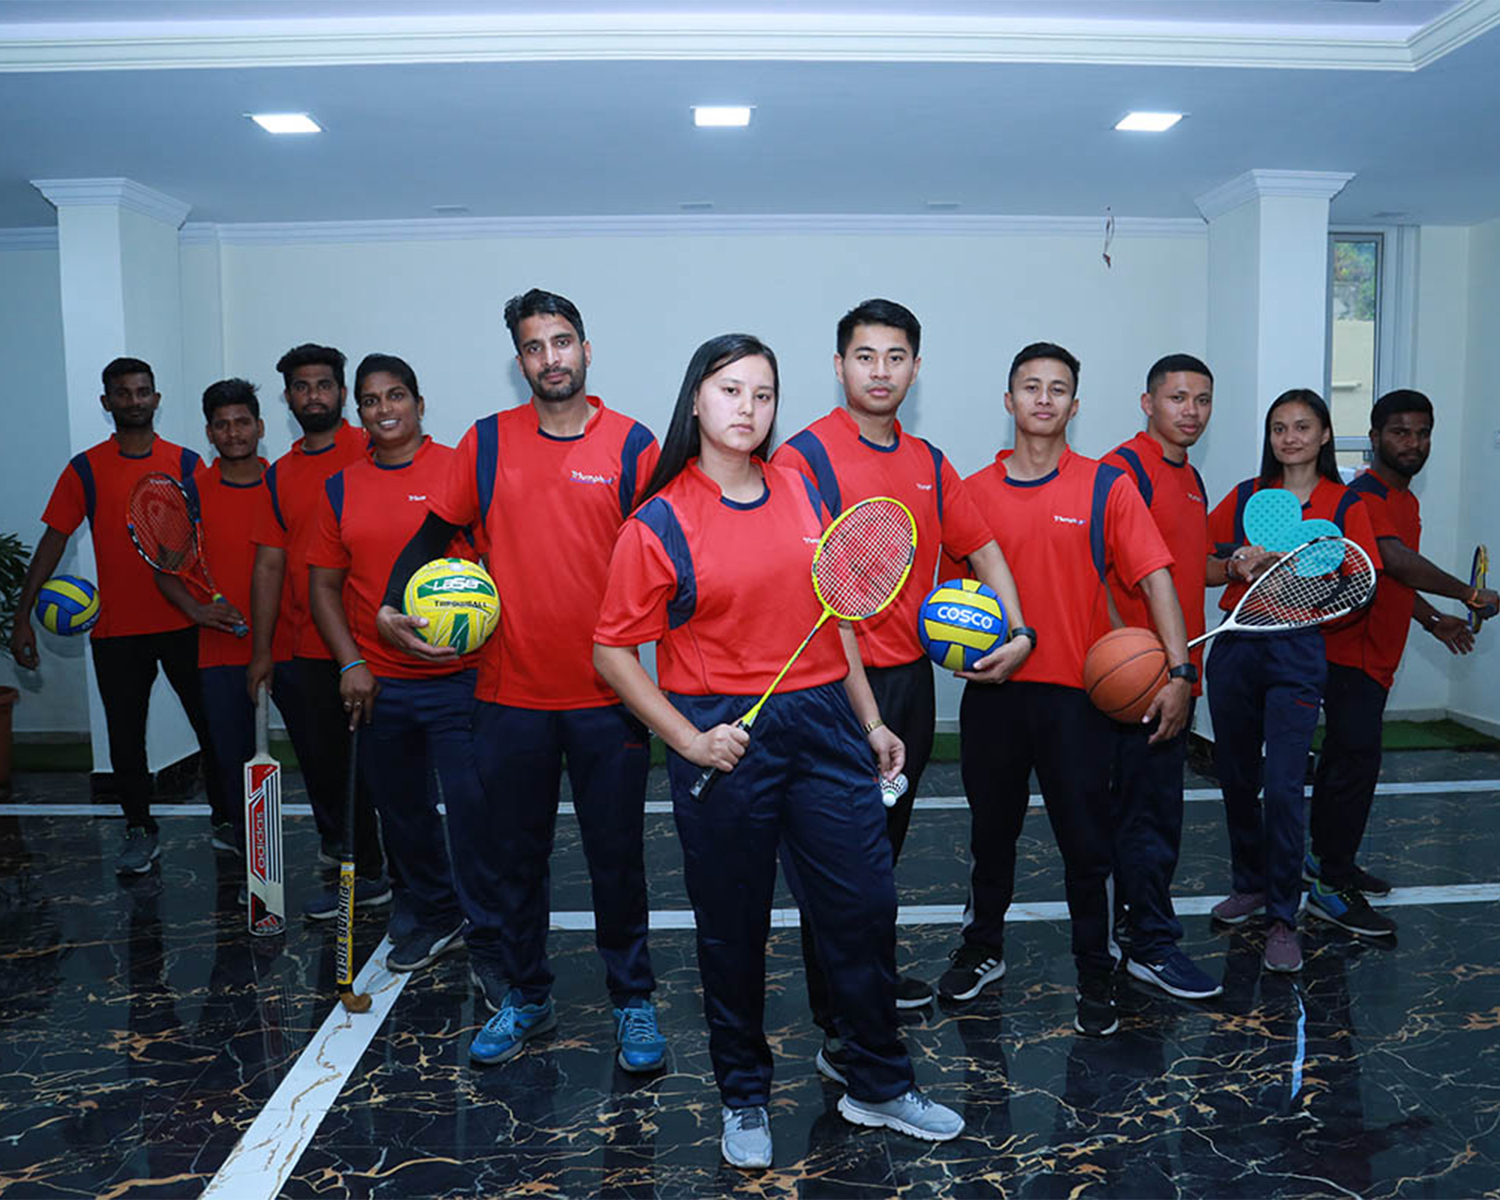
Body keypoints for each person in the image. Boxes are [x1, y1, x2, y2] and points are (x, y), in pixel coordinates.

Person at [593, 333, 964, 1170]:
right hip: (724, 735)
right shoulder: (658, 522)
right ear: (696, 400)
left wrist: (870, 722)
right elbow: (611, 651)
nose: (748, 408)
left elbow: (838, 615)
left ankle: (877, 1080)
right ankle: (744, 1094)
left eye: (762, 394)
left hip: (826, 724)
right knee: (734, 928)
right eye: (730, 390)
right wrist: (689, 740)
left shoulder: (800, 489)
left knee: (864, 907)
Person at [375, 290, 664, 1071]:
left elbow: (669, 552)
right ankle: (527, 995)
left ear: (585, 350)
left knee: (617, 859)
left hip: (609, 697)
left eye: (561, 342)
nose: (550, 358)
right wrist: (391, 603)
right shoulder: (487, 442)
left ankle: (633, 999)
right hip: (508, 697)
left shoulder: (634, 445)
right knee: (514, 860)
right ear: (519, 361)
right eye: (534, 347)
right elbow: (431, 534)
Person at [771, 298, 1030, 1047]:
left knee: (883, 846)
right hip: (834, 688)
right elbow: (802, 587)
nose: (880, 371)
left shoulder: (930, 463)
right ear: (839, 366)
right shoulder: (803, 460)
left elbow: (983, 548)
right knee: (837, 854)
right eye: (865, 356)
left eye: (895, 357)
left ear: (916, 369)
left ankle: (868, 981)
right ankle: (838, 1017)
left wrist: (1019, 631)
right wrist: (863, 707)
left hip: (911, 685)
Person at [942, 342, 1193, 1037]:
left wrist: (1179, 673)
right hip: (995, 696)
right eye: (1031, 386)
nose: (1044, 399)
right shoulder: (971, 491)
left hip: (1078, 700)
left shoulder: (1107, 487)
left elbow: (1157, 579)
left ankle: (1095, 968)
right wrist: (959, 653)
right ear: (1009, 400)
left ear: (1075, 406)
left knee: (1087, 846)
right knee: (990, 835)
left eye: (1058, 389)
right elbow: (950, 600)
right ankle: (982, 947)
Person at [308, 354, 486, 972]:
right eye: (371, 400)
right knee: (403, 814)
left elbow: (500, 561)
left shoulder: (459, 471)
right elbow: (324, 588)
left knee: (474, 810)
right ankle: (435, 913)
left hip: (463, 679)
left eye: (396, 395)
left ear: (419, 402)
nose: (384, 409)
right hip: (381, 683)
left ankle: (488, 920)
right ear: (358, 412)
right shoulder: (341, 487)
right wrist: (349, 664)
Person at [10, 358, 219, 874]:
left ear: (156, 398)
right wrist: (21, 616)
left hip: (186, 623)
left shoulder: (187, 463)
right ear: (107, 402)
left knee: (213, 729)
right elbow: (54, 540)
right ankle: (139, 830)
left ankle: (228, 823)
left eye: (142, 391)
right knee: (125, 739)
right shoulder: (85, 468)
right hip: (117, 632)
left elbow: (215, 538)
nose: (133, 401)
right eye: (122, 393)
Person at [1204, 388, 1383, 974]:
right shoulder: (1247, 495)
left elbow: (1362, 582)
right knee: (1236, 778)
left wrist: (1304, 589)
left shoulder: (1345, 502)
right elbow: (1201, 563)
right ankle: (1250, 884)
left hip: (1297, 652)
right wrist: (1236, 564)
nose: (1290, 438)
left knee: (1283, 787)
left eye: (1303, 427)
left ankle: (1284, 916)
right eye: (1279, 428)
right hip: (1236, 646)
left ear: (1325, 434)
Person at [1308, 389, 1498, 935]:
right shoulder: (1363, 497)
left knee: (1343, 766)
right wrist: (1468, 594)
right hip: (1349, 657)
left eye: (1422, 432)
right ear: (1374, 438)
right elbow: (1393, 559)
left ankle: (1325, 863)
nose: (1412, 443)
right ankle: (1329, 888)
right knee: (1353, 770)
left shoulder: (1404, 501)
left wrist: (1433, 620)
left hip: (1376, 658)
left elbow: (1390, 577)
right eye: (1400, 432)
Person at [247, 344, 389, 921]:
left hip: (377, 645)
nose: (314, 396)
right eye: (302, 387)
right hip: (307, 649)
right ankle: (363, 869)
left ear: (342, 393)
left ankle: (406, 872)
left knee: (387, 772)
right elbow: (269, 565)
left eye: (324, 385)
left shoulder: (374, 448)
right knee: (328, 770)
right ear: (288, 398)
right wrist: (261, 651)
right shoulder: (279, 474)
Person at [1101, 354, 1222, 1000]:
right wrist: (1144, 665)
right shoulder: (1124, 471)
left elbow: (1186, 570)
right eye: (1178, 398)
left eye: (1202, 399)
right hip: (1144, 681)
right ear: (1148, 403)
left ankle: (1131, 933)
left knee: (1152, 815)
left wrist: (1234, 565)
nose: (1191, 411)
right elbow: (1103, 573)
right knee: (1146, 818)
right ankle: (1149, 944)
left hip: (1180, 674)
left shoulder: (1191, 477)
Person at [153, 379, 278, 870]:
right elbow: (165, 572)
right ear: (209, 433)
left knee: (319, 755)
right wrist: (197, 611)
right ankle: (251, 860)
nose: (233, 433)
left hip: (290, 646)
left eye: (242, 422)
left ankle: (338, 847)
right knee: (234, 762)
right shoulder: (189, 494)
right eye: (222, 425)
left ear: (260, 426)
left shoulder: (282, 483)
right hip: (221, 650)